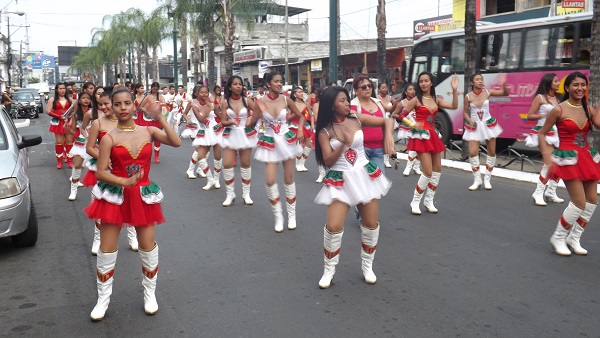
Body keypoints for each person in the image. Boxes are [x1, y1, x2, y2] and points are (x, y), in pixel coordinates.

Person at [84, 88, 181, 321]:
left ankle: (150, 295)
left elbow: (176, 142)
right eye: (118, 104)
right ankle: (102, 300)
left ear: (134, 105)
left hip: (143, 196)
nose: (123, 107)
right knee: (107, 249)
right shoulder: (108, 138)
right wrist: (123, 181)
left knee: (147, 247)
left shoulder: (149, 131)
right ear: (113, 108)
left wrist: (159, 117)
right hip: (115, 196)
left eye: (127, 103)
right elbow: (100, 173)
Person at [314, 86, 394, 288]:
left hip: (363, 175)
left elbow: (388, 120)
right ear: (331, 105)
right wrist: (341, 143)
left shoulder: (356, 118)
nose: (347, 103)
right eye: (342, 100)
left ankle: (368, 267)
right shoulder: (324, 131)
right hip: (340, 179)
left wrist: (389, 138)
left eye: (347, 99)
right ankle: (328, 270)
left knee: (370, 224)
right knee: (333, 227)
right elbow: (328, 161)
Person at [539, 71, 600, 256]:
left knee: (591, 202)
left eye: (583, 84)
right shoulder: (559, 109)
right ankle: (558, 237)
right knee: (578, 202)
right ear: (567, 88)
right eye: (575, 85)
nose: (580, 88)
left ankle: (574, 238)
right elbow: (542, 133)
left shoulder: (588, 109)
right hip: (568, 158)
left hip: (588, 156)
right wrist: (547, 155)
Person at [248, 72, 304, 232]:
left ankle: (291, 215)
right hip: (270, 140)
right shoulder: (260, 102)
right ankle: (278, 216)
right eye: (276, 81)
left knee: (289, 178)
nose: (280, 84)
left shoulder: (286, 99)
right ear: (268, 84)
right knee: (270, 180)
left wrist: (300, 129)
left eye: (281, 81)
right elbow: (254, 122)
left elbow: (300, 116)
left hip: (286, 139)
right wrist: (248, 122)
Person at [85, 89, 139, 255]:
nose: (104, 107)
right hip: (105, 170)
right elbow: (89, 147)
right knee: (102, 206)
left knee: (129, 203)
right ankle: (97, 239)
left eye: (107, 104)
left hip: (124, 169)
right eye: (101, 105)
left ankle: (132, 237)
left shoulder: (128, 122)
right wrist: (104, 158)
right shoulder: (98, 123)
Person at [399, 72, 458, 215]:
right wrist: (413, 124)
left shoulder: (436, 99)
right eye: (421, 81)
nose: (423, 83)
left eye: (426, 81)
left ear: (431, 83)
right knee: (427, 171)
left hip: (432, 135)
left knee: (437, 170)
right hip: (420, 136)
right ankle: (415, 201)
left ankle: (429, 200)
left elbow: (454, 106)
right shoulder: (416, 100)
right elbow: (400, 115)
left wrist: (455, 90)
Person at [218, 76, 260, 207]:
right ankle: (230, 194)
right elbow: (223, 121)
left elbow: (259, 112)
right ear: (230, 87)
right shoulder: (225, 102)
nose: (238, 86)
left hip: (245, 134)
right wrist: (230, 122)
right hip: (231, 134)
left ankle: (246, 194)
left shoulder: (247, 100)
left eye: (240, 84)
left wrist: (251, 121)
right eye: (235, 84)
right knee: (227, 164)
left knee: (246, 163)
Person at [462, 73, 508, 191]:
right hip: (475, 125)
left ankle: (487, 179)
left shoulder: (488, 92)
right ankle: (477, 179)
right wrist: (469, 120)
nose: (480, 81)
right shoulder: (468, 96)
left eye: (481, 79)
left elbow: (506, 93)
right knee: (472, 152)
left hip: (488, 124)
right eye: (477, 79)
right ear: (472, 83)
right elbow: (465, 112)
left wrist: (504, 84)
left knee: (491, 152)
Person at [524, 74, 564, 206]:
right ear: (548, 83)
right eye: (556, 81)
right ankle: (538, 192)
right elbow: (529, 116)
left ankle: (551, 191)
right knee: (549, 163)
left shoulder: (558, 98)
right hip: (543, 132)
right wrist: (545, 115)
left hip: (557, 133)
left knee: (559, 163)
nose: (558, 83)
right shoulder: (540, 97)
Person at [182, 85, 223, 189]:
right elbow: (200, 119)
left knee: (217, 157)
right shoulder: (194, 104)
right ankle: (210, 179)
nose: (204, 94)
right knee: (201, 156)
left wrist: (221, 123)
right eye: (202, 92)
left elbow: (222, 117)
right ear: (197, 94)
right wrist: (188, 119)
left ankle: (216, 180)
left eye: (206, 92)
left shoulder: (212, 104)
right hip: (202, 130)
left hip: (214, 131)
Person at [66, 91, 92, 201]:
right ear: (79, 100)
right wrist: (68, 128)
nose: (86, 100)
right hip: (82, 141)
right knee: (77, 166)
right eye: (83, 98)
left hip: (96, 141)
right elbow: (72, 131)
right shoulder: (76, 114)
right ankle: (73, 190)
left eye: (88, 98)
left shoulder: (95, 113)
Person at [393, 83, 422, 176]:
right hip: (408, 127)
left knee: (418, 148)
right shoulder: (403, 103)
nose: (412, 91)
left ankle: (416, 167)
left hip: (419, 127)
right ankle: (409, 167)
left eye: (413, 89)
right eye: (410, 89)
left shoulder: (418, 101)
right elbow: (394, 114)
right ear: (406, 92)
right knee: (414, 147)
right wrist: (405, 119)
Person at [47, 82, 74, 169]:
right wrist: (58, 116)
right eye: (60, 89)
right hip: (58, 123)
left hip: (68, 122)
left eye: (64, 88)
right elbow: (48, 111)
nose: (62, 90)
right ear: (56, 90)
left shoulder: (70, 99)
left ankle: (70, 161)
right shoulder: (52, 99)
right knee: (59, 142)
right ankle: (59, 161)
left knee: (69, 141)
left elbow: (75, 110)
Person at [289, 87, 314, 172]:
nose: (301, 93)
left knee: (309, 145)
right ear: (294, 94)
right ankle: (297, 164)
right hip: (295, 125)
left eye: (302, 92)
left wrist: (312, 125)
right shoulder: (291, 104)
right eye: (299, 92)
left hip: (305, 126)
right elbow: (288, 117)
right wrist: (297, 112)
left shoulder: (306, 104)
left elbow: (311, 115)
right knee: (298, 146)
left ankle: (302, 163)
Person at [377, 83, 397, 168]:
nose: (384, 89)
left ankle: (386, 159)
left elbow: (397, 106)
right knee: (380, 139)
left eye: (386, 87)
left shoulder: (390, 98)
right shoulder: (376, 98)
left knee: (388, 139)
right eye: (383, 88)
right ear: (379, 89)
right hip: (379, 121)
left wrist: (393, 114)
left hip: (389, 120)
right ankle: (380, 157)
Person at [313, 86, 328, 182]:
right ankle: (322, 173)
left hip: (333, 129)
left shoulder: (333, 104)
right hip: (321, 130)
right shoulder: (316, 105)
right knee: (320, 152)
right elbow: (316, 118)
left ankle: (331, 172)